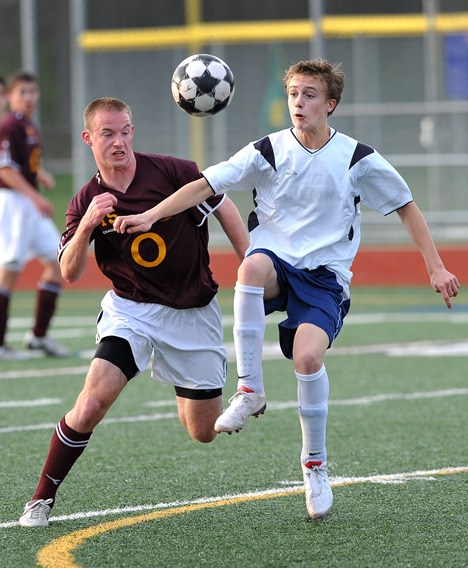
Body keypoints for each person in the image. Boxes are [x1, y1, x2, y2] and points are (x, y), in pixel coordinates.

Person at [113, 59, 461, 520]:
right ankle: (250, 389)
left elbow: (407, 207)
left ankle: (314, 465)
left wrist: (435, 267)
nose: (299, 102)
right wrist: (152, 215)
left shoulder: (357, 158)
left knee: (307, 358)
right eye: (294, 94)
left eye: (310, 94)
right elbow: (205, 185)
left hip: (324, 277)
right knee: (251, 267)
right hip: (277, 262)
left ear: (330, 104)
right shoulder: (267, 150)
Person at [18, 97, 249, 527]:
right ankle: (41, 499)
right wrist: (87, 223)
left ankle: (185, 387)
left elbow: (225, 206)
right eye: (108, 133)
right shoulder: (85, 199)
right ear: (89, 138)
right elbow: (69, 271)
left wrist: (250, 265)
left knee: (202, 431)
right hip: (132, 312)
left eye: (125, 130)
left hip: (192, 314)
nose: (119, 141)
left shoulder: (173, 172)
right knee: (91, 403)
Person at [0, 70, 68, 359]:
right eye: (22, 92)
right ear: (10, 97)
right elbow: (4, 169)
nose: (29, 98)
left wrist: (39, 173)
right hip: (14, 202)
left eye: (33, 92)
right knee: (10, 270)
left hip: (27, 202)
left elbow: (20, 163)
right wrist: (36, 196)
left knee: (58, 261)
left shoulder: (28, 125)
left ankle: (39, 337)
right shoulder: (8, 125)